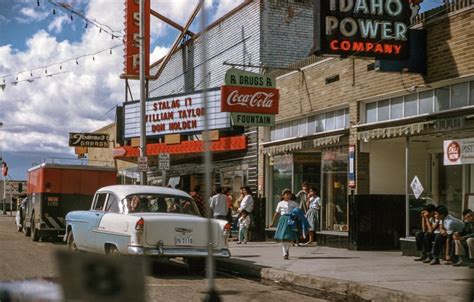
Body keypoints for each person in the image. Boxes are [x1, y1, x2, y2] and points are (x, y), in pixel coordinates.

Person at [270, 188, 299, 260]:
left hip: (291, 219)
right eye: (286, 194)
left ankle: (287, 250)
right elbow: (277, 213)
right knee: (283, 237)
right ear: (283, 196)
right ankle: (284, 253)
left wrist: (297, 218)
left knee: (289, 237)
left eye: (289, 194)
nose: (288, 196)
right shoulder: (280, 203)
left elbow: (298, 212)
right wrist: (273, 222)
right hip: (283, 219)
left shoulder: (294, 203)